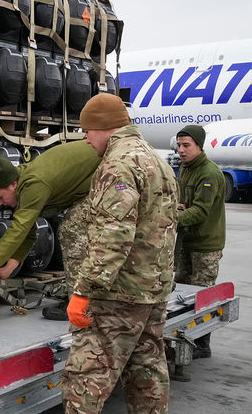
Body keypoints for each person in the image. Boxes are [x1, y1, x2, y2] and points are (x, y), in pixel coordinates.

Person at [63, 93, 178, 414]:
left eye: (87, 132)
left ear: (104, 128)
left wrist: (84, 292)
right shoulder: (156, 160)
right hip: (153, 289)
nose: (86, 140)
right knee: (148, 368)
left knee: (87, 374)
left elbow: (112, 237)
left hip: (119, 294)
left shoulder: (117, 166)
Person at [0, 142, 101, 320]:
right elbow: (28, 232)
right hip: (94, 179)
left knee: (71, 231)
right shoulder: (21, 183)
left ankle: (81, 305)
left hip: (109, 172)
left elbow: (18, 230)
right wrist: (7, 269)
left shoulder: (34, 184)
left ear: (12, 185)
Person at [175, 124, 226, 358]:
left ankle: (202, 344)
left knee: (202, 296)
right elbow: (185, 203)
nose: (181, 150)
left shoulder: (209, 173)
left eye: (186, 145)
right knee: (181, 294)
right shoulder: (186, 168)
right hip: (186, 241)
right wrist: (179, 207)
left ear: (199, 146)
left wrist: (171, 218)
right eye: (179, 145)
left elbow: (200, 211)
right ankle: (182, 337)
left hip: (205, 245)